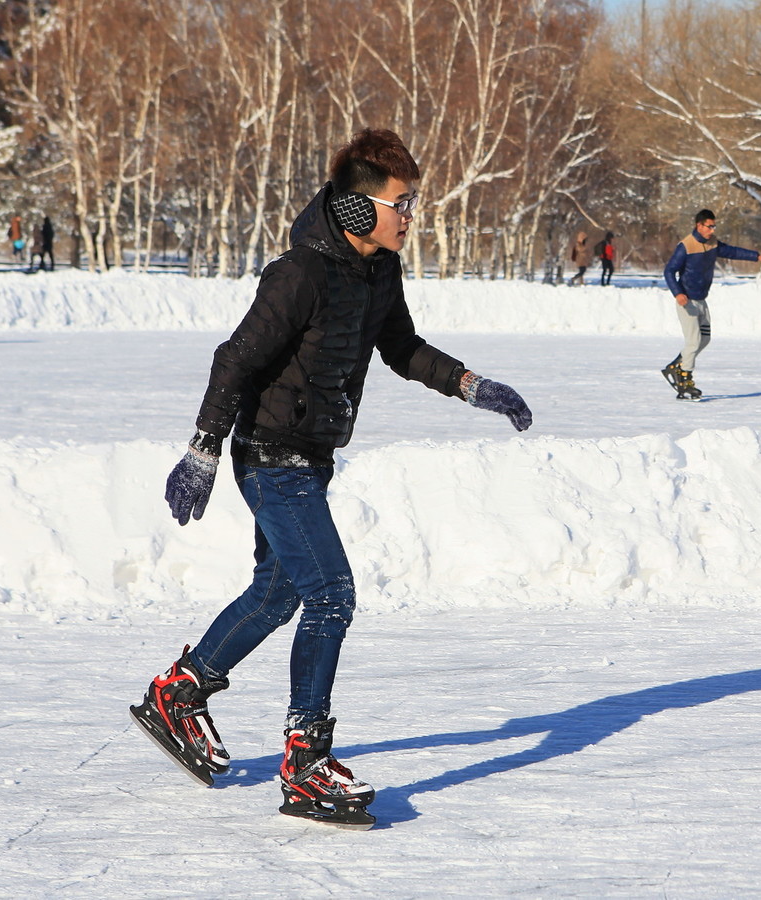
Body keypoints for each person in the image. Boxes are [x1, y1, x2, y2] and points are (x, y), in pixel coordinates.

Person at [129, 128, 533, 830]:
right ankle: (305, 760)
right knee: (331, 595)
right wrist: (202, 451)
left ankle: (180, 694)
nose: (411, 216)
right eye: (401, 203)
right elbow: (235, 361)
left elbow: (400, 347)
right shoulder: (300, 275)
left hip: (310, 455)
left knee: (279, 589)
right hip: (270, 456)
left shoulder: (378, 272)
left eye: (414, 202)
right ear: (355, 210)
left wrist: (468, 384)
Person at [661, 209, 761, 400]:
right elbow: (669, 271)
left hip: (701, 300)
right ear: (699, 225)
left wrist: (757, 256)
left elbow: (732, 251)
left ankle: (675, 366)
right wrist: (678, 293)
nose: (712, 230)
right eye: (709, 226)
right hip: (687, 301)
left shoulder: (712, 243)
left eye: (714, 226)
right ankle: (685, 380)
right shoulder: (686, 246)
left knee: (704, 340)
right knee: (693, 342)